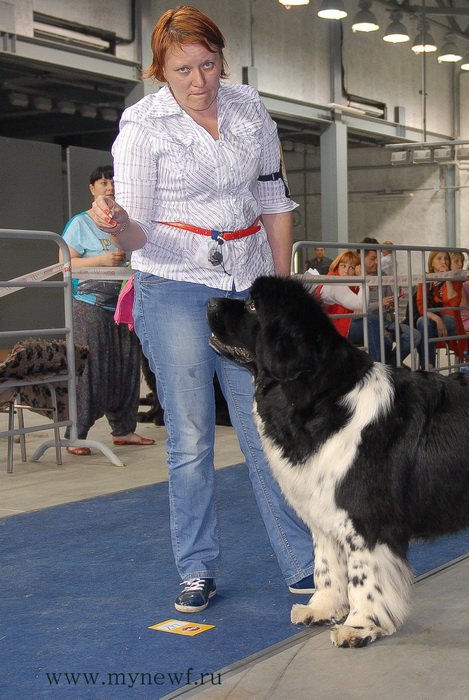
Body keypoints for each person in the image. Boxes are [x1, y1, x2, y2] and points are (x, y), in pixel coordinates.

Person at [88, 5, 314, 613]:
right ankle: (196, 567)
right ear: (160, 69)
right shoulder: (142, 126)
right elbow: (135, 239)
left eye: (208, 64)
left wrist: (280, 289)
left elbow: (274, 199)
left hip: (246, 285)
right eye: (182, 68)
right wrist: (118, 225)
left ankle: (304, 563)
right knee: (189, 438)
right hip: (172, 286)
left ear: (223, 59)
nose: (199, 81)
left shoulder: (249, 108)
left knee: (267, 431)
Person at [59, 165, 155, 457]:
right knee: (91, 369)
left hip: (124, 305)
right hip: (89, 305)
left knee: (127, 367)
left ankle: (124, 430)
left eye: (113, 182)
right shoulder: (79, 224)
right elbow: (64, 264)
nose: (110, 187)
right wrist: (101, 259)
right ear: (92, 189)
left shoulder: (127, 224)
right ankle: (77, 434)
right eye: (103, 182)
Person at [318, 250, 391, 361]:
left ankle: (384, 368)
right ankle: (377, 369)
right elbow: (361, 304)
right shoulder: (334, 282)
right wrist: (362, 279)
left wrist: (357, 310)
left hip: (344, 324)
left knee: (387, 342)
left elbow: (359, 308)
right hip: (335, 329)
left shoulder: (348, 283)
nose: (347, 270)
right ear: (337, 266)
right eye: (343, 266)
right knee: (372, 322)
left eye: (351, 267)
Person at [360, 238, 420, 365]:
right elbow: (356, 309)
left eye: (378, 258)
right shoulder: (354, 277)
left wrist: (393, 301)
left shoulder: (382, 274)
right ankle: (387, 369)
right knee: (386, 342)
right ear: (361, 256)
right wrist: (379, 304)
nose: (377, 262)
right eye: (372, 258)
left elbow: (389, 302)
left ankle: (390, 367)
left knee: (414, 335)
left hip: (386, 322)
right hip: (366, 323)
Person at [416, 250, 468, 368]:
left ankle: (427, 367)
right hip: (432, 320)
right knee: (423, 322)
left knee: (426, 324)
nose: (443, 261)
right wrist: (437, 319)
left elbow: (454, 302)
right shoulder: (424, 279)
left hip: (451, 319)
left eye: (446, 259)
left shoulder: (454, 279)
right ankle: (429, 366)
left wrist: (447, 278)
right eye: (439, 259)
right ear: (432, 262)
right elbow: (421, 306)